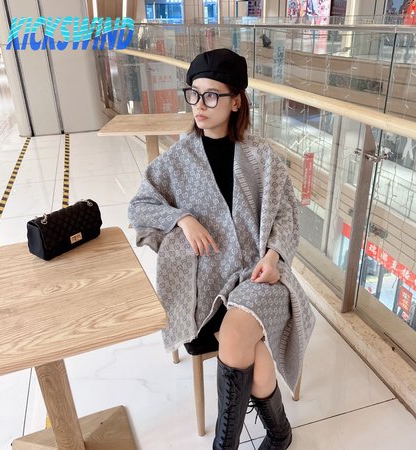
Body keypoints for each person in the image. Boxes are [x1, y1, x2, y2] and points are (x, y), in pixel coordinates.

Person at [128, 48, 315, 450]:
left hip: (261, 276)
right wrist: (182, 218)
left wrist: (273, 256)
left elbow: (286, 216)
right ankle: (279, 433)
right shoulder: (177, 159)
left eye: (212, 95)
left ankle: (225, 445)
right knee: (246, 344)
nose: (199, 105)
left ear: (236, 101)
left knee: (235, 331)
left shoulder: (262, 157)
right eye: (193, 94)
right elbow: (139, 206)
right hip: (208, 284)